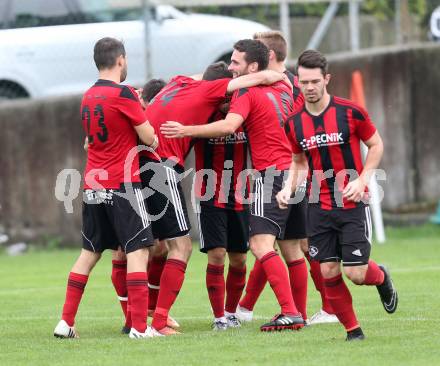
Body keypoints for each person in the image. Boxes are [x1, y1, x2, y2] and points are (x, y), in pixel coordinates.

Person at [161, 39, 305, 332]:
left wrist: (185, 129)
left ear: (252, 68)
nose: (231, 67)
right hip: (217, 189)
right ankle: (225, 317)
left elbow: (229, 126)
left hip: (255, 184)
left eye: (236, 62)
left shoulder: (245, 96)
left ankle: (285, 312)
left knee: (250, 252)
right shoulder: (283, 88)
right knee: (265, 248)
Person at [279, 49, 398, 341]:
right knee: (329, 270)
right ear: (298, 82)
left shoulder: (351, 112)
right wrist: (288, 188)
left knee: (356, 274)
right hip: (318, 206)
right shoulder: (293, 123)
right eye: (304, 82)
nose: (309, 87)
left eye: (315, 81)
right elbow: (298, 161)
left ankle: (381, 277)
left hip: (351, 203)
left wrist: (363, 180)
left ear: (326, 79)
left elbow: (377, 145)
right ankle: (353, 331)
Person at [54, 37, 159, 339]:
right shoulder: (124, 94)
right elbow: (149, 137)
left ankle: (66, 322)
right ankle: (140, 327)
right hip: (123, 184)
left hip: (92, 185)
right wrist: (141, 112)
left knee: (89, 253)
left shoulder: (87, 96)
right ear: (121, 60)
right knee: (138, 252)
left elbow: (94, 139)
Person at [237, 30, 338, 325]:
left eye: (255, 50)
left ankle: (316, 309)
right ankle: (279, 310)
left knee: (267, 244)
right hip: (299, 170)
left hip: (285, 169)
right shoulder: (292, 84)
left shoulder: (286, 85)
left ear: (265, 57)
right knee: (294, 245)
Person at [193, 63, 248, 331]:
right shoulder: (200, 114)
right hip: (209, 194)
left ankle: (232, 312)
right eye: (223, 95)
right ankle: (219, 318)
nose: (228, 101)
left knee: (239, 258)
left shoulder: (244, 111)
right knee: (217, 254)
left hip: (240, 194)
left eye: (231, 94)